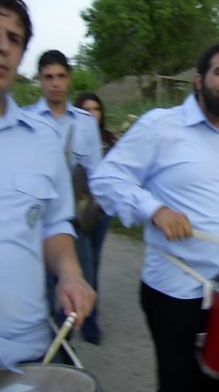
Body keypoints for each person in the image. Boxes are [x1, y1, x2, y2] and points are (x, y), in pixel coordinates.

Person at [90, 42, 219, 392]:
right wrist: (155, 209)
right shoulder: (161, 126)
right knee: (179, 385)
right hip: (178, 293)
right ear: (198, 80)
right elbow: (106, 179)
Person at [0, 0, 95, 370]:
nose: (2, 47)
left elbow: (54, 223)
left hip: (30, 347)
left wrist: (70, 274)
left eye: (13, 38)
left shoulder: (43, 140)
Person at [25, 50, 103, 344]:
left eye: (60, 76)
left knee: (81, 285)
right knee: (40, 292)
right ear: (40, 80)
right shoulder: (26, 120)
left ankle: (63, 345)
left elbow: (95, 171)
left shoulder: (85, 122)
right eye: (48, 77)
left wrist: (93, 209)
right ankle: (44, 349)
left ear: (68, 78)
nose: (55, 83)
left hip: (75, 222)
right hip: (37, 222)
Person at [72, 92, 118, 344]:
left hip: (102, 213)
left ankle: (90, 319)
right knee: (83, 265)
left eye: (96, 109)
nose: (92, 114)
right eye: (86, 110)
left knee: (95, 263)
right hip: (78, 213)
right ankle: (75, 316)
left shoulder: (110, 141)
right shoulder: (72, 138)